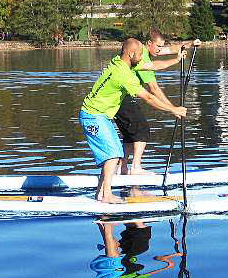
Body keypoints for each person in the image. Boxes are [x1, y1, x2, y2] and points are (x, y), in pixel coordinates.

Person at [79, 38, 187, 203]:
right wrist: (173, 109)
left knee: (114, 153)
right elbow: (148, 97)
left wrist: (176, 59)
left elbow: (152, 66)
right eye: (139, 54)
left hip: (100, 115)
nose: (142, 57)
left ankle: (100, 194)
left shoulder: (119, 62)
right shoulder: (123, 74)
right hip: (93, 116)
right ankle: (106, 195)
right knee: (113, 154)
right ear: (131, 54)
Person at [114, 30, 201, 175]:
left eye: (161, 47)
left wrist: (191, 44)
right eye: (158, 47)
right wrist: (173, 108)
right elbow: (154, 89)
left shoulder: (144, 50)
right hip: (122, 97)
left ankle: (122, 168)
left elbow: (171, 49)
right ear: (149, 44)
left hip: (120, 97)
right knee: (141, 129)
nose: (160, 50)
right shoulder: (140, 57)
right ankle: (136, 168)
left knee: (130, 134)